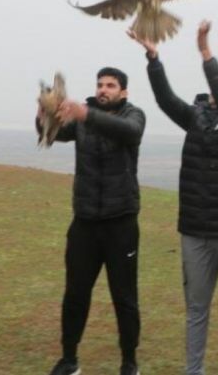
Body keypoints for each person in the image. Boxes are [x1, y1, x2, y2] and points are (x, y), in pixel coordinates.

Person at [128, 21, 218, 375]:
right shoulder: (195, 119)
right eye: (216, 90)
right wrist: (153, 58)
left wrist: (205, 53)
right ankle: (193, 371)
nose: (217, 95)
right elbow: (165, 99)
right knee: (196, 310)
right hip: (195, 232)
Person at [38, 67, 146, 375]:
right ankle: (69, 359)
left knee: (124, 297)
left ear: (123, 91)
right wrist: (43, 115)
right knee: (75, 294)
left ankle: (129, 362)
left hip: (121, 224)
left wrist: (85, 113)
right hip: (84, 222)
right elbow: (54, 133)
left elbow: (129, 132)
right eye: (100, 84)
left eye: (111, 85)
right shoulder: (82, 118)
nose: (103, 89)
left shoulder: (133, 115)